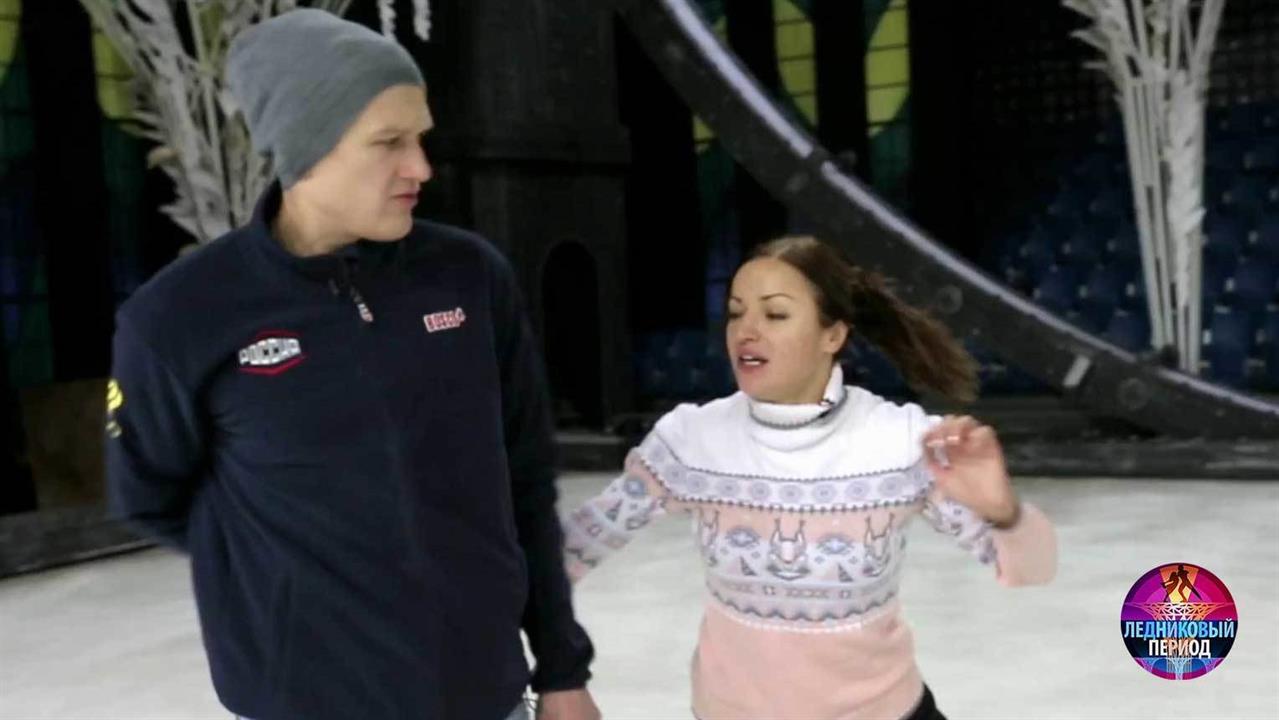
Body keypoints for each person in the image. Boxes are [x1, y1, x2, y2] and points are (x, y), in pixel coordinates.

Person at [105, 10, 598, 720]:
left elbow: (524, 484)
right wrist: (290, 576)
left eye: (420, 139)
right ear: (305, 145)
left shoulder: (467, 277)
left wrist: (561, 668)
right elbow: (149, 495)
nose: (420, 167)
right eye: (389, 142)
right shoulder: (178, 318)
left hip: (485, 697)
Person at [563, 236, 1058, 719]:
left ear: (833, 335)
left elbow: (1034, 571)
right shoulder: (691, 439)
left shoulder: (902, 440)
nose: (746, 330)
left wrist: (1004, 513)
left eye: (775, 314)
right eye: (735, 312)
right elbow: (569, 549)